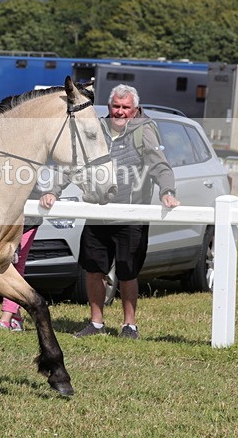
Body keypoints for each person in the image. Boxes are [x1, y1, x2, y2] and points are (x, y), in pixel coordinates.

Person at [73, 84, 180, 340]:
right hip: (98, 213)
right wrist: (53, 190)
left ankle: (129, 326)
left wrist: (167, 191)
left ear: (135, 109)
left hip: (131, 216)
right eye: (116, 107)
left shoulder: (143, 130)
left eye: (125, 108)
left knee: (127, 272)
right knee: (94, 270)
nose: (120, 112)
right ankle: (96, 323)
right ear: (109, 107)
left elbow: (160, 166)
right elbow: (77, 163)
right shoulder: (97, 128)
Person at [0, 186, 58, 332]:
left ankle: (6, 318)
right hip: (4, 217)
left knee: (16, 267)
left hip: (28, 219)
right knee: (4, 266)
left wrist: (50, 193)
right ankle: (15, 315)